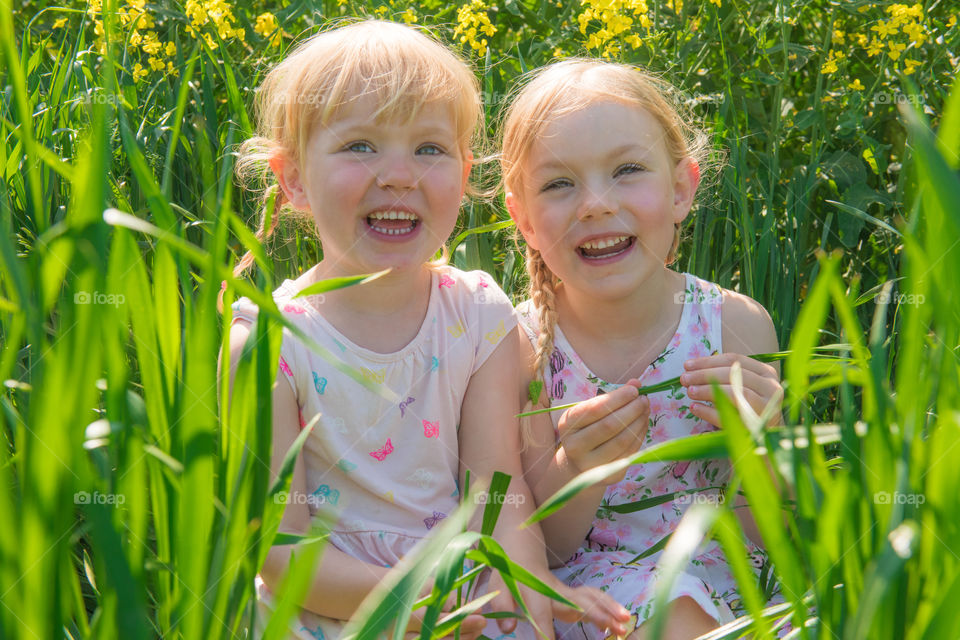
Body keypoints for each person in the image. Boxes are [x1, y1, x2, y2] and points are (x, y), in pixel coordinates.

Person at [221, 22, 631, 640]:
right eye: (360, 145)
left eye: (429, 149)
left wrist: (527, 595)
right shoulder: (269, 340)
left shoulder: (478, 315)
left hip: (464, 590)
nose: (398, 175)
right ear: (294, 179)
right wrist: (417, 604)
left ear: (465, 177)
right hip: (333, 607)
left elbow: (496, 488)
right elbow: (280, 552)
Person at [500, 60, 785, 640]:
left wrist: (756, 443)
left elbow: (772, 531)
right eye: (559, 183)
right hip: (592, 598)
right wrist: (579, 467)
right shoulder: (521, 346)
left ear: (682, 189)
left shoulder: (735, 324)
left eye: (627, 170)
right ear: (523, 218)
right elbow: (547, 551)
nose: (596, 204)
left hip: (722, 581)